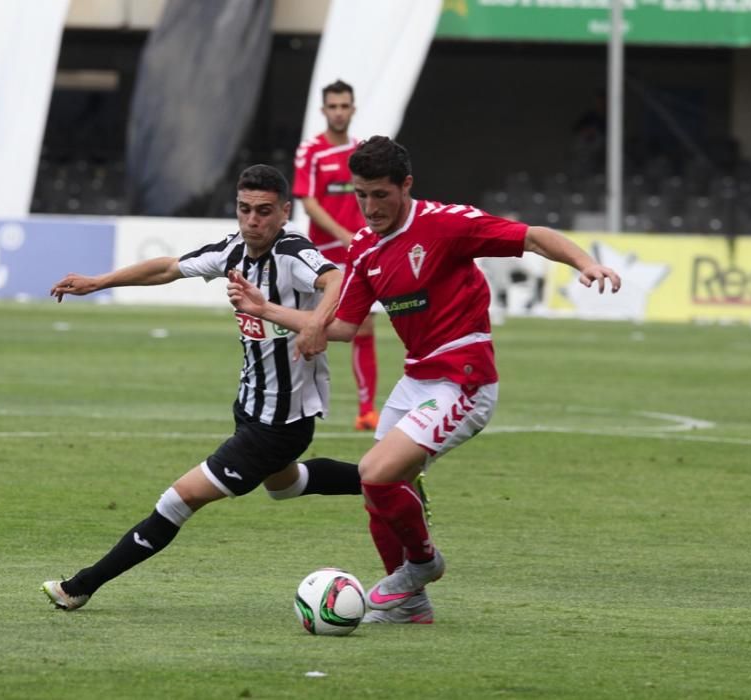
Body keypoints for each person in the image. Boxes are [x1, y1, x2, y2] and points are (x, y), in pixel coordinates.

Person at [228, 136, 622, 624]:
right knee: (377, 487)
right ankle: (411, 604)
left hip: (464, 379)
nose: (370, 208)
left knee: (375, 471)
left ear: (405, 185)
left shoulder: (446, 224)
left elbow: (533, 236)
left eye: (380, 195)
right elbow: (346, 327)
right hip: (417, 378)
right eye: (361, 196)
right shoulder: (366, 248)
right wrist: (268, 311)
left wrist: (587, 264)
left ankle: (423, 563)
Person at [40, 164, 362, 611]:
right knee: (285, 486)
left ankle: (80, 586)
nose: (252, 220)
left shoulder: (292, 253)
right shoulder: (233, 251)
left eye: (264, 211)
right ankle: (389, 478)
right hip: (250, 406)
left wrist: (312, 324)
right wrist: (99, 282)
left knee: (178, 500)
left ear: (284, 213)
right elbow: (169, 269)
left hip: (279, 422)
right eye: (244, 209)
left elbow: (335, 279)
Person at [293, 79, 379, 431]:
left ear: (353, 109)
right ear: (323, 110)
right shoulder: (311, 151)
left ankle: (366, 409)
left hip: (358, 254)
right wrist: (342, 233)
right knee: (309, 327)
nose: (339, 112)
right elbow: (308, 201)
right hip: (321, 259)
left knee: (366, 326)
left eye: (345, 106)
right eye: (334, 106)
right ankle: (299, 401)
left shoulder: (361, 153)